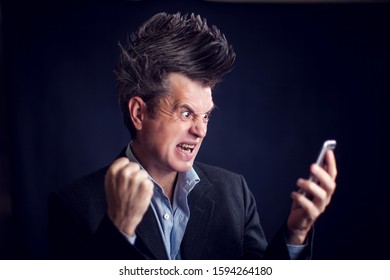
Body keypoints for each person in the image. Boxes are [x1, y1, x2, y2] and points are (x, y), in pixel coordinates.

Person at [48, 12, 337, 260]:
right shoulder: (73, 206)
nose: (200, 130)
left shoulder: (235, 193)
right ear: (138, 113)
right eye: (186, 113)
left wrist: (296, 231)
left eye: (206, 115)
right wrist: (119, 230)